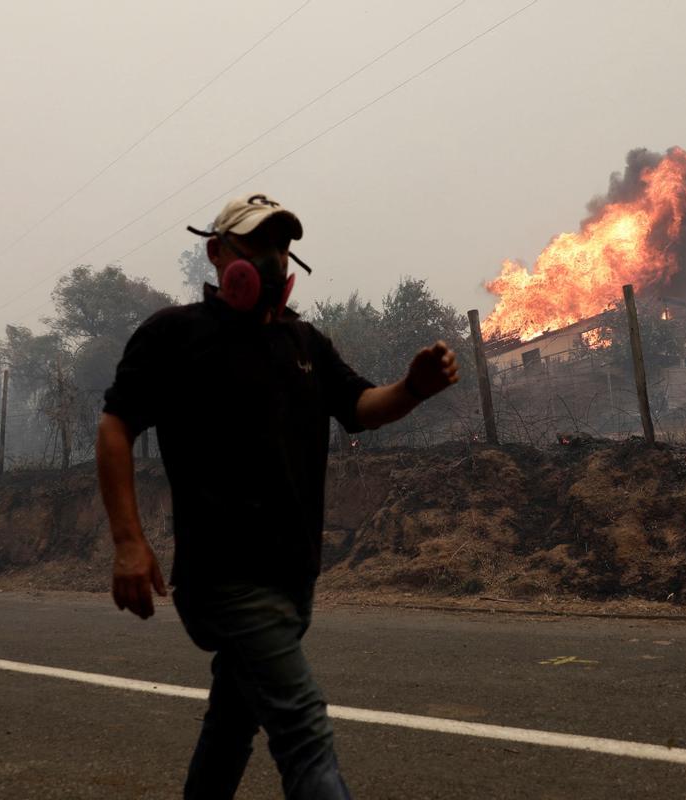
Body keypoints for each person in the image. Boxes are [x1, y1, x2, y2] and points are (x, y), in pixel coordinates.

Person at [95, 193, 459, 799]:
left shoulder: (304, 343)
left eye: (282, 247)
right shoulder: (174, 335)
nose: (272, 259)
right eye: (257, 245)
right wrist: (128, 542)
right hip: (225, 578)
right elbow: (116, 426)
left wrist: (412, 389)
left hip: (294, 576)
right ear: (217, 254)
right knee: (304, 735)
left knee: (232, 722)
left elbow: (361, 407)